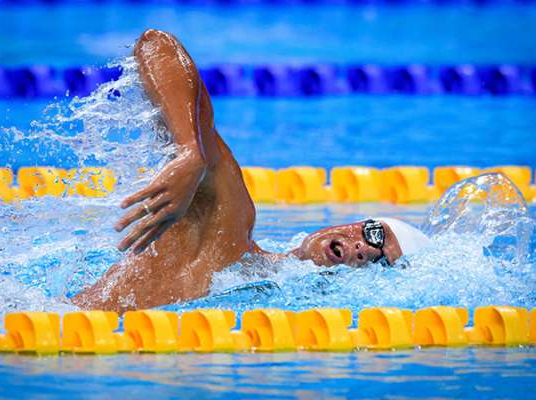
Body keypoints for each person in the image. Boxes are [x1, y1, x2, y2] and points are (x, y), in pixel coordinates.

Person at [71, 30, 430, 313]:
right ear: (346, 224)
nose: (364, 250)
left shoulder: (275, 313)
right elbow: (157, 44)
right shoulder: (226, 225)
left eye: (381, 262)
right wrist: (191, 153)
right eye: (374, 234)